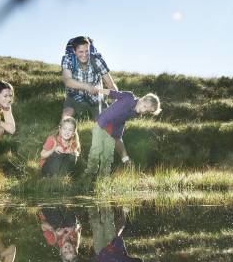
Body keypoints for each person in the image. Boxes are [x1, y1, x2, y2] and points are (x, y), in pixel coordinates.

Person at [60, 36, 130, 164]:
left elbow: (110, 84)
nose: (84, 55)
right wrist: (86, 86)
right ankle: (63, 153)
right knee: (66, 116)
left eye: (87, 51)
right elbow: (67, 80)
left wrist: (117, 101)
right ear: (74, 52)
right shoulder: (68, 59)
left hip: (96, 98)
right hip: (75, 95)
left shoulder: (97, 60)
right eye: (81, 52)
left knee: (109, 127)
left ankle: (126, 159)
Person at [83, 90, 162, 182]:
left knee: (108, 155)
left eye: (147, 111)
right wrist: (97, 90)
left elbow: (118, 135)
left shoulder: (135, 113)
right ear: (142, 99)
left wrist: (125, 158)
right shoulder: (129, 97)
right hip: (102, 124)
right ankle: (89, 173)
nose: (143, 110)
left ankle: (103, 178)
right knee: (96, 150)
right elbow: (112, 93)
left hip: (113, 130)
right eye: (144, 106)